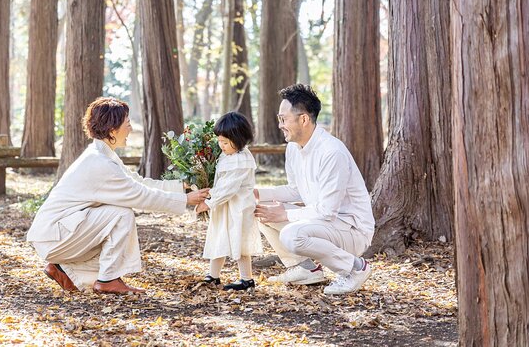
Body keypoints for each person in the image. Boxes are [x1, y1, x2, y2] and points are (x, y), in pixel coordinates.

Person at [26, 97, 209, 295]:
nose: (130, 129)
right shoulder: (99, 163)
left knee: (115, 215)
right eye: (127, 124)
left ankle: (62, 269)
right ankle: (107, 280)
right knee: (121, 214)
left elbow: (139, 183)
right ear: (113, 129)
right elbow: (140, 195)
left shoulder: (102, 155)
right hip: (54, 236)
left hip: (57, 234)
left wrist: (181, 187)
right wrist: (186, 201)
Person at [253, 84, 375, 295]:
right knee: (260, 209)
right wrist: (258, 194)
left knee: (292, 234)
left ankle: (355, 268)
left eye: (284, 119)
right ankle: (305, 268)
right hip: (326, 224)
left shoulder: (331, 152)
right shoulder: (293, 147)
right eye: (279, 118)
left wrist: (285, 213)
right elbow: (295, 191)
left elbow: (327, 211)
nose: (280, 124)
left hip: (352, 229)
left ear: (303, 119)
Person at [195, 112, 263, 291]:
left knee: (239, 241)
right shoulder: (228, 155)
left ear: (239, 140)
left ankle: (246, 279)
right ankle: (213, 275)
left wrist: (208, 203)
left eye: (225, 142)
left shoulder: (241, 160)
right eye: (220, 141)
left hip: (238, 207)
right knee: (219, 238)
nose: (221, 146)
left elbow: (228, 188)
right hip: (224, 206)